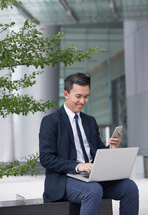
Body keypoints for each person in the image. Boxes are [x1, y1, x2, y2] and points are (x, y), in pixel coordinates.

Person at [39, 73, 139, 215]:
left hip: (92, 177)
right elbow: (46, 158)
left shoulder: (90, 121)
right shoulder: (50, 121)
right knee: (93, 190)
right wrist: (78, 166)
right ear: (66, 94)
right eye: (78, 96)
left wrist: (112, 148)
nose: (82, 101)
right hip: (64, 179)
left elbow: (98, 152)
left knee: (130, 187)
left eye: (86, 96)